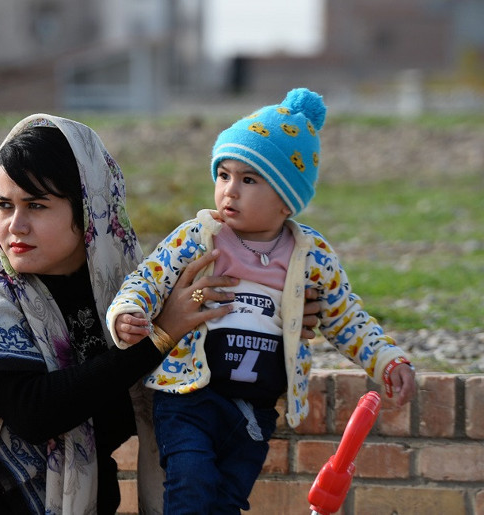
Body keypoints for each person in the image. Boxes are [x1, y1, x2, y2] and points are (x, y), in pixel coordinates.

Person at [107, 88, 417, 514]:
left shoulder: (312, 256)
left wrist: (387, 360)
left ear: (287, 198)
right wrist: (127, 311)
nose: (230, 191)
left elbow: (347, 318)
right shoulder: (198, 237)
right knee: (190, 486)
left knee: (228, 498)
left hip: (254, 407)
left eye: (249, 179)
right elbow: (149, 276)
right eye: (223, 176)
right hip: (189, 396)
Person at [0, 114, 247, 514]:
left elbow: (141, 403)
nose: (15, 225)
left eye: (36, 205)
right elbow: (33, 413)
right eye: (3, 205)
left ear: (89, 209)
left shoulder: (123, 294)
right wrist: (159, 337)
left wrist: (280, 318)